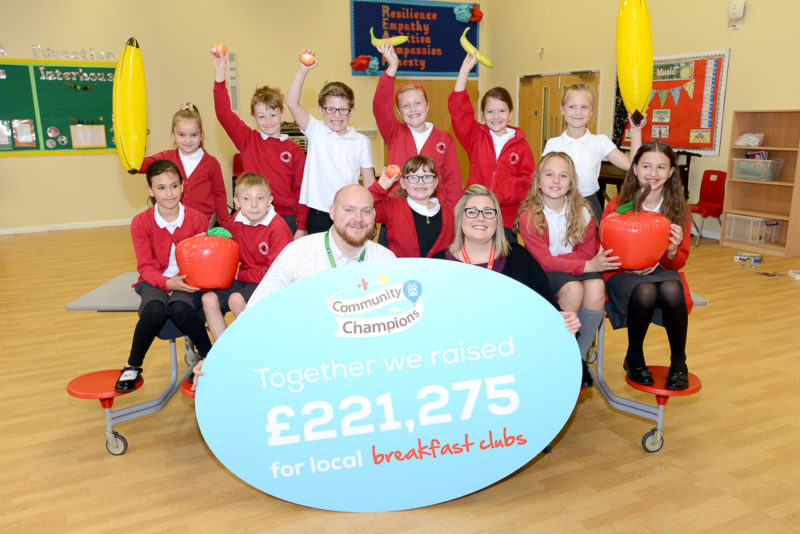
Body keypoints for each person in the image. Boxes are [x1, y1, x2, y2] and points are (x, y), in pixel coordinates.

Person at [192, 184, 395, 387]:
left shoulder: (386, 261)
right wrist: (219, 358)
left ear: (374, 215)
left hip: (363, 366)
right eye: (349, 210)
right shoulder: (298, 252)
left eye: (365, 211)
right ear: (332, 212)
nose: (358, 219)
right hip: (307, 368)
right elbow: (255, 312)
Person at [515, 152, 621, 387]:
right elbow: (543, 262)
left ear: (572, 181)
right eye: (549, 174)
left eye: (563, 176)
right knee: (573, 290)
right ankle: (556, 353)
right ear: (538, 180)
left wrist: (572, 261)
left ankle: (578, 358)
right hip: (541, 274)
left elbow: (584, 253)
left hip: (571, 266)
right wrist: (582, 264)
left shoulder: (582, 211)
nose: (556, 181)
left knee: (596, 286)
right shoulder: (530, 214)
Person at [602, 140, 692, 390]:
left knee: (672, 289)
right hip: (622, 271)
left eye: (661, 167)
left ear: (672, 171)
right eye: (646, 166)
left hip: (661, 270)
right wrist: (630, 264)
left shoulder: (677, 209)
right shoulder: (619, 204)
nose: (653, 173)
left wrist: (672, 250)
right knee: (646, 290)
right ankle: (634, 356)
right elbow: (606, 246)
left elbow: (679, 261)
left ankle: (678, 362)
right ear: (635, 169)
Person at [116, 160, 213, 392]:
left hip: (189, 279)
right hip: (153, 280)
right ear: (150, 190)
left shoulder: (198, 219)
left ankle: (209, 358)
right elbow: (145, 267)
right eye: (160, 188)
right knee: (154, 309)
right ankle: (133, 365)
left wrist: (180, 282)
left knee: (181, 308)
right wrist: (167, 283)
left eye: (173, 186)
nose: (169, 193)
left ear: (182, 185)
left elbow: (199, 259)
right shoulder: (141, 222)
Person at [433, 185, 580, 337]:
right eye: (472, 212)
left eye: (488, 212)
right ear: (459, 217)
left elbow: (548, 307)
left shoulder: (519, 257)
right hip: (462, 350)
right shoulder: (438, 265)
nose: (480, 218)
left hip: (514, 346)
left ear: (497, 220)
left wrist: (565, 319)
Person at [212, 50, 305, 234]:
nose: (268, 121)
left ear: (282, 114)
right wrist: (219, 75)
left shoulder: (294, 151)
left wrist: (301, 226)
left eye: (273, 115)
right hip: (250, 216)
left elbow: (302, 190)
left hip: (285, 219)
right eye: (262, 116)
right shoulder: (247, 140)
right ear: (253, 118)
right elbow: (224, 114)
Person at [287, 49, 375, 236]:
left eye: (343, 110)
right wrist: (303, 70)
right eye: (331, 109)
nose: (337, 116)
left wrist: (370, 216)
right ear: (320, 110)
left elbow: (369, 184)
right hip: (318, 213)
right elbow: (292, 103)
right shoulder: (316, 130)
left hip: (349, 215)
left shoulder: (361, 141)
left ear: (351, 112)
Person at [448, 52, 534, 243]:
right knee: (472, 262)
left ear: (511, 113)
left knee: (502, 265)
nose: (496, 116)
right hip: (474, 214)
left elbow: (528, 180)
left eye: (502, 111)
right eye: (490, 111)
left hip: (506, 218)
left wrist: (499, 194)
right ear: (483, 114)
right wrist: (464, 71)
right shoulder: (476, 136)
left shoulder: (521, 144)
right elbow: (458, 110)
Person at [201, 173, 293, 341]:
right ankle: (225, 354)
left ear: (270, 200)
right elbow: (229, 251)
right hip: (246, 278)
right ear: (236, 202)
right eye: (246, 198)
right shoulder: (237, 219)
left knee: (236, 299)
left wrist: (239, 275)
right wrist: (207, 244)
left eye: (260, 198)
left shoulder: (278, 227)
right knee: (208, 298)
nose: (254, 205)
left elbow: (274, 273)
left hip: (274, 282)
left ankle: (255, 350)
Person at [372, 41, 461, 208]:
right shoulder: (394, 133)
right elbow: (380, 107)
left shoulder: (444, 139)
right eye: (405, 105)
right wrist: (392, 68)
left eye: (418, 103)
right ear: (399, 112)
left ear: (427, 106)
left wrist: (452, 216)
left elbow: (453, 182)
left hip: (433, 212)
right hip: (397, 209)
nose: (412, 109)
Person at [543, 83, 643, 223]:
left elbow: (633, 166)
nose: (578, 112)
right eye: (572, 106)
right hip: (558, 203)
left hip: (589, 204)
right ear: (562, 109)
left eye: (584, 107)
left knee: (591, 244)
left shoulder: (600, 141)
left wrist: (636, 131)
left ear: (591, 111)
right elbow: (542, 179)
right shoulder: (553, 144)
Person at [139, 103, 229, 227]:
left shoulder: (212, 163)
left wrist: (227, 227)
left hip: (204, 227)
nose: (188, 140)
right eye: (181, 135)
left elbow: (220, 197)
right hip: (175, 225)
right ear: (173, 133)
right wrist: (129, 140)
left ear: (201, 135)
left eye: (193, 135)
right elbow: (139, 166)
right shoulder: (166, 157)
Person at [368, 155, 454, 258]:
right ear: (403, 183)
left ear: (435, 182)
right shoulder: (391, 207)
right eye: (413, 177)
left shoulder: (448, 216)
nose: (420, 182)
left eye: (427, 177)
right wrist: (380, 187)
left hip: (437, 273)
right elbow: (364, 208)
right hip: (400, 272)